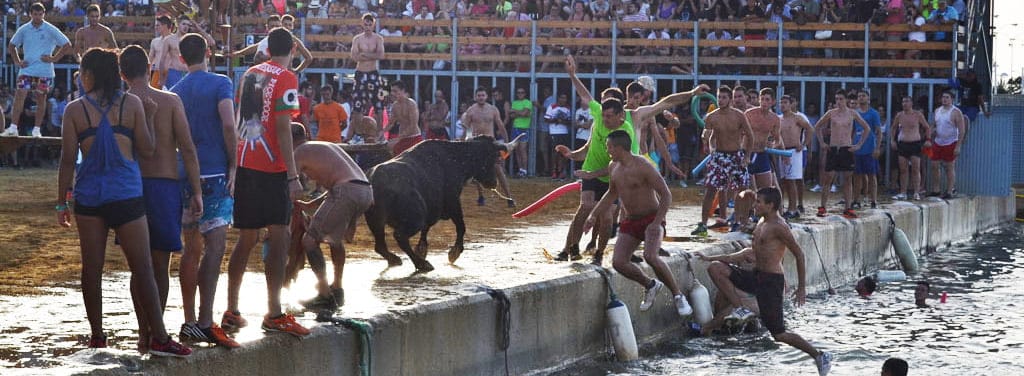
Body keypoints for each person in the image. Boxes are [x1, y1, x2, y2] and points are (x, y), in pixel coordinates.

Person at [57, 47, 192, 357]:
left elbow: (67, 160)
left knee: (92, 269)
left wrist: (61, 203)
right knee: (143, 267)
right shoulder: (131, 104)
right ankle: (159, 337)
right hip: (127, 195)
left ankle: (97, 336)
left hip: (90, 197)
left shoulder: (75, 110)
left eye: (82, 72)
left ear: (90, 75)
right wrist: (151, 115)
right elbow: (147, 149)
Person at [560, 55, 709, 263]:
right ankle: (571, 248)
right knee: (590, 208)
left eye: (609, 115)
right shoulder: (600, 114)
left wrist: (692, 93)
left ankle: (613, 251)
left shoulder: (635, 117)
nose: (605, 118)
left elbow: (667, 102)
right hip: (600, 169)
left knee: (619, 213)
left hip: (626, 168)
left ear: (621, 114)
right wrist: (572, 75)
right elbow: (585, 96)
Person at [223, 27, 311, 338]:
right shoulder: (287, 78)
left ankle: (232, 309)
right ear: (293, 51)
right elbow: (285, 128)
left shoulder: (250, 74)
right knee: (279, 237)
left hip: (246, 162)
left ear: (267, 48)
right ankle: (274, 312)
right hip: (272, 168)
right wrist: (292, 174)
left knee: (246, 239)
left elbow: (240, 118)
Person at [120, 44, 204, 326]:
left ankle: (144, 331)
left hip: (131, 188)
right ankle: (156, 330)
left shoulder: (120, 105)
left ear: (122, 75)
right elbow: (188, 148)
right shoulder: (170, 101)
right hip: (165, 188)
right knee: (159, 265)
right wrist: (197, 190)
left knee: (138, 267)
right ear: (149, 68)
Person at [171, 33, 241, 348]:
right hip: (214, 172)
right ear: (208, 53)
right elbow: (228, 124)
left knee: (191, 248)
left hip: (185, 174)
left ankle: (189, 321)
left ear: (182, 59)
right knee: (215, 247)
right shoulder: (220, 83)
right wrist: (234, 165)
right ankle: (205, 319)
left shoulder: (175, 91)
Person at [583, 129, 693, 317]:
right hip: (631, 220)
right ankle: (650, 285)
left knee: (650, 256)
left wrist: (657, 223)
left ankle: (677, 295)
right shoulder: (613, 166)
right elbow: (611, 193)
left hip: (652, 217)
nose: (607, 150)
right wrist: (593, 216)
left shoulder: (643, 165)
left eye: (609, 147)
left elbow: (666, 194)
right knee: (618, 262)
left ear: (619, 148)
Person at [728, 187, 832, 375]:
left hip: (770, 281)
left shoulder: (779, 226)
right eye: (756, 201)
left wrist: (802, 287)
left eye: (759, 202)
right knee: (718, 268)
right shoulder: (761, 220)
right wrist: (745, 196)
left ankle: (819, 355)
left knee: (778, 334)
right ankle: (740, 309)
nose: (755, 205)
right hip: (756, 275)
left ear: (770, 205)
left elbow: (799, 255)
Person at [293, 123, 373, 311]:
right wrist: (310, 205)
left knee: (310, 241)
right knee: (335, 240)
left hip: (346, 191)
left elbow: (290, 185)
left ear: (290, 140)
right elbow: (341, 179)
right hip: (365, 191)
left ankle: (324, 294)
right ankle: (337, 288)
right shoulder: (324, 145)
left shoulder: (298, 152)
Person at [2, 2, 72, 138]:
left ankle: (36, 130)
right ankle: (13, 127)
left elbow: (67, 44)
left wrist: (54, 59)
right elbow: (11, 45)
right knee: (20, 94)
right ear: (30, 14)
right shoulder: (24, 29)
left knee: (41, 98)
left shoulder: (50, 29)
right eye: (35, 14)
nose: (38, 17)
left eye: (40, 14)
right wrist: (17, 61)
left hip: (44, 71)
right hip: (27, 70)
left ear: (44, 14)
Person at [693, 85, 755, 236]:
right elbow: (708, 135)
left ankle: (741, 222)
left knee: (742, 190)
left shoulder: (739, 115)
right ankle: (703, 223)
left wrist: (747, 156)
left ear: (730, 99)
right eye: (719, 97)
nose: (721, 100)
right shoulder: (712, 116)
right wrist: (708, 144)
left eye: (724, 97)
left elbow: (750, 136)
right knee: (710, 190)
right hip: (719, 156)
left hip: (736, 155)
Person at [815, 89, 870, 218]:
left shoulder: (852, 113)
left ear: (846, 100)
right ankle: (823, 206)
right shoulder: (831, 113)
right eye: (837, 99)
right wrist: (822, 143)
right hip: (834, 148)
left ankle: (848, 207)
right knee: (828, 178)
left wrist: (858, 145)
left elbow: (866, 128)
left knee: (847, 179)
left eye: (841, 99)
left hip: (846, 148)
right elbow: (817, 127)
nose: (838, 102)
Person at [461, 87, 514, 208]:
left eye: (483, 95)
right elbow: (466, 129)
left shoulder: (493, 109)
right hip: (477, 143)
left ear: (486, 97)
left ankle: (509, 197)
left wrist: (506, 143)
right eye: (479, 95)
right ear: (475, 97)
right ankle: (481, 196)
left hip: (490, 143)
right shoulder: (471, 111)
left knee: (498, 170)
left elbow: (500, 126)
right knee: (477, 172)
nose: (481, 97)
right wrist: (462, 141)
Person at [695, 246, 762, 335]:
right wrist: (707, 258)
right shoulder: (748, 253)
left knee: (739, 304)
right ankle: (717, 326)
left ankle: (708, 328)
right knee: (723, 294)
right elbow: (728, 258)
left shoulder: (770, 259)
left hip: (755, 301)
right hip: (744, 297)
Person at [778, 95, 814, 219]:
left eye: (785, 102)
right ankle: (782, 207)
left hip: (794, 151)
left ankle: (793, 208)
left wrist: (804, 145)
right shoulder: (779, 119)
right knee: (782, 181)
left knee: (792, 180)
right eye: (781, 103)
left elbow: (810, 129)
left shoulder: (797, 118)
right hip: (782, 151)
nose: (782, 105)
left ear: (790, 104)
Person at [890, 96, 930, 200]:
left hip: (915, 143)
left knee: (916, 169)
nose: (905, 104)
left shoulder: (917, 114)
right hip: (902, 144)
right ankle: (903, 192)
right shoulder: (899, 115)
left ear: (911, 103)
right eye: (903, 102)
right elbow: (894, 128)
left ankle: (916, 192)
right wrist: (892, 140)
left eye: (907, 101)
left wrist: (928, 140)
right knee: (903, 169)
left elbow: (927, 127)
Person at [350, 13, 387, 128]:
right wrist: (372, 55)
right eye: (366, 24)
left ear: (373, 25)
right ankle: (359, 131)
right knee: (358, 104)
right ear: (362, 24)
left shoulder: (378, 38)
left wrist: (365, 54)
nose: (368, 27)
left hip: (373, 73)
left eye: (370, 25)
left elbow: (381, 55)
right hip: (360, 73)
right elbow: (354, 57)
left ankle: (380, 131)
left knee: (378, 104)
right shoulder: (357, 39)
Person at [927, 91, 965, 199]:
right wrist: (929, 138)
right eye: (943, 97)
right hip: (938, 141)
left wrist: (958, 146)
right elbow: (933, 125)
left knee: (949, 167)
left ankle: (949, 191)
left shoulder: (956, 112)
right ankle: (936, 190)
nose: (944, 99)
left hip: (951, 142)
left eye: (947, 97)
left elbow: (962, 130)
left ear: (951, 99)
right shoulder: (937, 111)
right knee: (934, 165)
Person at [744, 88, 784, 190]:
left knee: (766, 188)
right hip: (746, 152)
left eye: (767, 100)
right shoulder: (749, 113)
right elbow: (738, 131)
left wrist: (773, 145)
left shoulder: (775, 119)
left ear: (773, 102)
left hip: (762, 153)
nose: (764, 102)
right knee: (746, 189)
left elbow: (778, 139)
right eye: (762, 99)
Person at [852, 89, 882, 209]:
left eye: (863, 96)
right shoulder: (855, 113)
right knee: (857, 175)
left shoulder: (873, 113)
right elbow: (853, 130)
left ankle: (873, 200)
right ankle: (856, 199)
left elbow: (879, 132)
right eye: (859, 96)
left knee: (872, 175)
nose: (861, 98)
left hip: (869, 148)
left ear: (868, 99)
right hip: (857, 148)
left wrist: (877, 148)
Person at [386, 80, 422, 156]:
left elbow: (413, 125)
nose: (392, 94)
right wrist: (381, 133)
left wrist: (398, 138)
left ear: (402, 91)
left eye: (395, 91)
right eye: (392, 91)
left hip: (414, 138)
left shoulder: (411, 104)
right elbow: (391, 123)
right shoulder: (395, 106)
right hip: (402, 139)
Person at [545, 93, 572, 180]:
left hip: (564, 133)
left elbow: (569, 121)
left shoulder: (567, 108)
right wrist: (556, 120)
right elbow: (546, 119)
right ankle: (554, 172)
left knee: (563, 153)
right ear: (558, 98)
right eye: (562, 97)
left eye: (565, 98)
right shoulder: (552, 107)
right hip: (554, 132)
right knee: (555, 153)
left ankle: (561, 172)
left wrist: (562, 121)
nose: (564, 100)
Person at [510, 87, 534, 177]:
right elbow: (512, 116)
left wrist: (515, 111)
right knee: (517, 150)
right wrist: (522, 112)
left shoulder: (528, 102)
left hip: (524, 128)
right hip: (515, 127)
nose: (520, 94)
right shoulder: (514, 102)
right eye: (518, 92)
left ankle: (524, 170)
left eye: (522, 92)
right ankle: (520, 170)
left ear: (525, 93)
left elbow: (524, 114)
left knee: (522, 150)